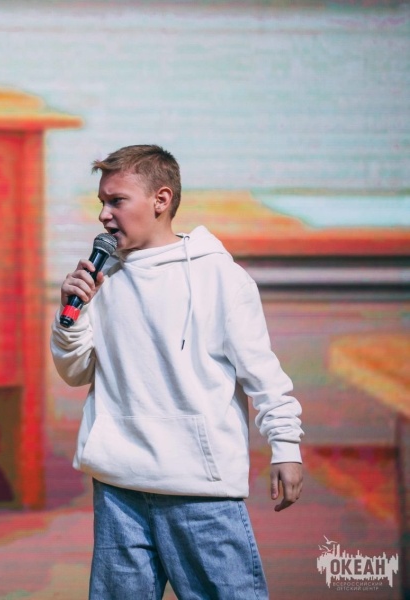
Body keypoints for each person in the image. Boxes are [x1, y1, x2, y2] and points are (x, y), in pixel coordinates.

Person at [50, 145, 303, 599]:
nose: (104, 215)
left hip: (199, 491)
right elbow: (76, 371)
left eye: (117, 201)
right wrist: (71, 316)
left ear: (161, 200)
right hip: (119, 487)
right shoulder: (103, 278)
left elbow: (262, 374)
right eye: (102, 202)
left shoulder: (219, 276)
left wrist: (285, 446)